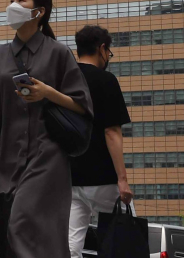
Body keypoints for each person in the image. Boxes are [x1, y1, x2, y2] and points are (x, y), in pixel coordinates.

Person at [0, 0, 92, 258]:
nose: (13, 5)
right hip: (5, 165)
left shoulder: (58, 53)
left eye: (21, 0)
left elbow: (82, 106)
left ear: (39, 11)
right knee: (24, 241)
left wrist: (48, 93)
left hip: (48, 159)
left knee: (20, 225)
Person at [68, 25, 132, 258]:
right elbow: (112, 132)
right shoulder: (106, 80)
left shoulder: (63, 79)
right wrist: (122, 180)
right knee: (120, 239)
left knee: (70, 245)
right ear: (102, 49)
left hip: (70, 176)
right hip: (103, 177)